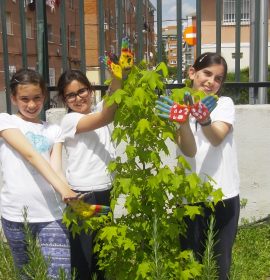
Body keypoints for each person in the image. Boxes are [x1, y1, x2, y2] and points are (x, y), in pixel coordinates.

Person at [157, 52, 240, 280]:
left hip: (223, 196)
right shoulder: (177, 106)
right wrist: (183, 122)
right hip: (190, 199)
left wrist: (204, 119)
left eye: (218, 78)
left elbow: (216, 138)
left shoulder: (224, 104)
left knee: (218, 268)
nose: (211, 81)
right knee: (191, 268)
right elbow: (190, 151)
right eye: (207, 73)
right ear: (192, 73)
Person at [0, 68, 79, 279]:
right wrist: (64, 187)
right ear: (13, 98)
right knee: (26, 274)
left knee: (60, 274)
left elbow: (56, 169)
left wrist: (68, 194)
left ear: (44, 96)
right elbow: (31, 156)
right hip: (16, 213)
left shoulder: (54, 130)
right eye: (24, 99)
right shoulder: (5, 121)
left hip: (51, 214)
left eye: (37, 98)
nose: (32, 104)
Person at [57, 69, 122, 280]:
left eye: (82, 91)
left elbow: (114, 95)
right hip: (83, 197)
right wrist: (117, 80)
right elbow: (106, 116)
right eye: (71, 95)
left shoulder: (97, 109)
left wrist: (118, 76)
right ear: (64, 100)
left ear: (91, 90)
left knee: (101, 256)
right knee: (83, 260)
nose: (78, 98)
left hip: (105, 191)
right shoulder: (70, 121)